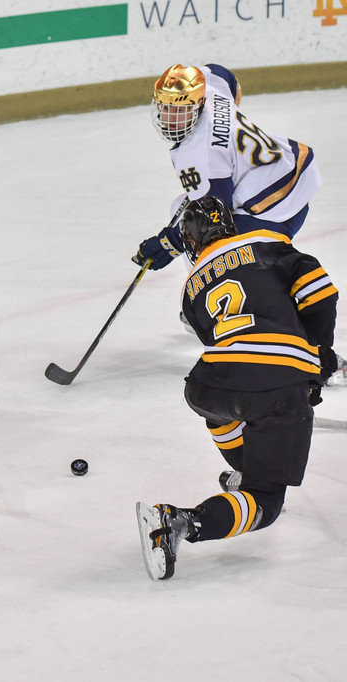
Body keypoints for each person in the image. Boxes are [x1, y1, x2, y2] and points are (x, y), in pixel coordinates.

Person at [136, 197, 338, 581]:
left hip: (207, 383)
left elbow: (227, 341)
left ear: (192, 241)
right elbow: (318, 289)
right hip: (275, 384)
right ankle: (180, 521)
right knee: (266, 501)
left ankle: (245, 471)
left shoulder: (191, 287)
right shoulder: (264, 241)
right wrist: (316, 356)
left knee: (224, 407)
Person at [131, 63, 321, 271]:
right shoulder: (209, 85)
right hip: (284, 166)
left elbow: (213, 217)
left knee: (220, 249)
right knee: (179, 208)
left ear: (198, 104)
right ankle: (200, 286)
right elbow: (223, 75)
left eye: (179, 110)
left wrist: (170, 243)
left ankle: (215, 286)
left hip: (278, 208)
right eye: (164, 107)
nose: (169, 118)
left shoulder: (199, 154)